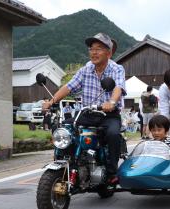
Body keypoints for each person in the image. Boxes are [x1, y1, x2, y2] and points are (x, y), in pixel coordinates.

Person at [42, 32, 126, 184]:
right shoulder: (85, 70)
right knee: (66, 128)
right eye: (91, 48)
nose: (94, 52)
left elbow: (118, 87)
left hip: (109, 114)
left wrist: (112, 102)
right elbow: (69, 86)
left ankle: (112, 172)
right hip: (88, 113)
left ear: (109, 52)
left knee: (113, 134)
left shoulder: (116, 69)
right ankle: (68, 162)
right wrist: (51, 101)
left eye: (99, 48)